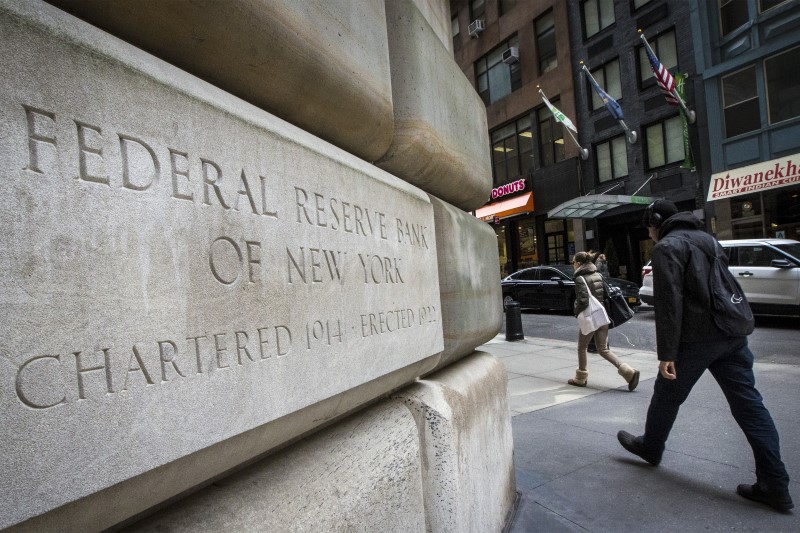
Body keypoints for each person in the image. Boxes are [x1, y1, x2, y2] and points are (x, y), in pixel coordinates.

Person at [617, 200, 793, 512]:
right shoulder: (709, 239)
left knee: (667, 394)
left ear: (657, 221)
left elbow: (669, 303)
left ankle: (651, 446)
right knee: (750, 406)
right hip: (732, 333)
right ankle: (775, 484)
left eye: (648, 226)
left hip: (698, 338)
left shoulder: (666, 247)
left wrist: (667, 353)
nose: (649, 232)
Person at [568, 251, 640, 391]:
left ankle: (581, 378)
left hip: (590, 318)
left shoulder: (580, 279)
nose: (573, 265)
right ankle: (629, 372)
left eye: (573, 262)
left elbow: (583, 301)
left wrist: (576, 311)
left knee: (582, 347)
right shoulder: (598, 275)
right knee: (603, 349)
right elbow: (606, 295)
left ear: (579, 263)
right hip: (602, 316)